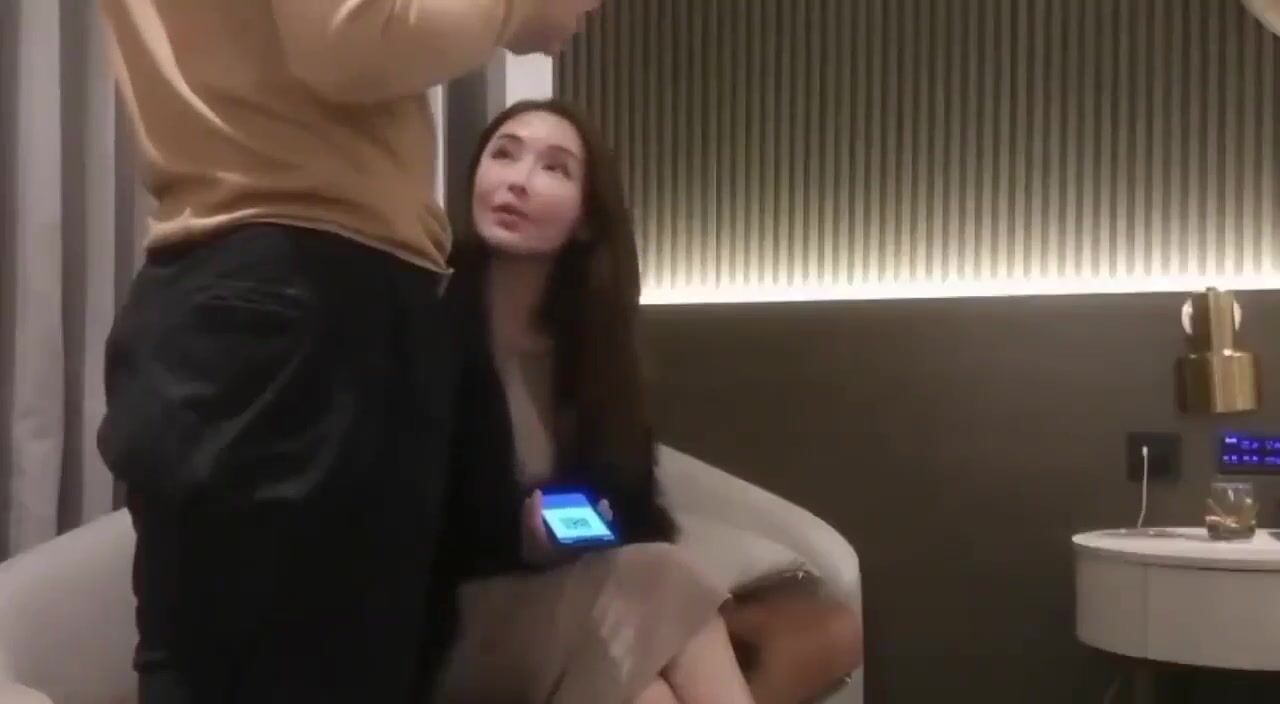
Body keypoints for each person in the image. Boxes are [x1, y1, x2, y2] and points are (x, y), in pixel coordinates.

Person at [94, 2, 600, 703]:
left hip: (241, 293)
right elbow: (350, 37)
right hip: (311, 294)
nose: (519, 180)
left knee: (214, 662)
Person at [432, 98, 862, 704]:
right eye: (503, 155)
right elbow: (412, 516)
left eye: (553, 168)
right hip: (457, 621)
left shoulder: (590, 348)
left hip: (577, 605)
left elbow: (636, 509)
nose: (518, 181)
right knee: (664, 574)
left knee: (652, 695)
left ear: (586, 218)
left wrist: (590, 527)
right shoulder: (430, 321)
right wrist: (521, 539)